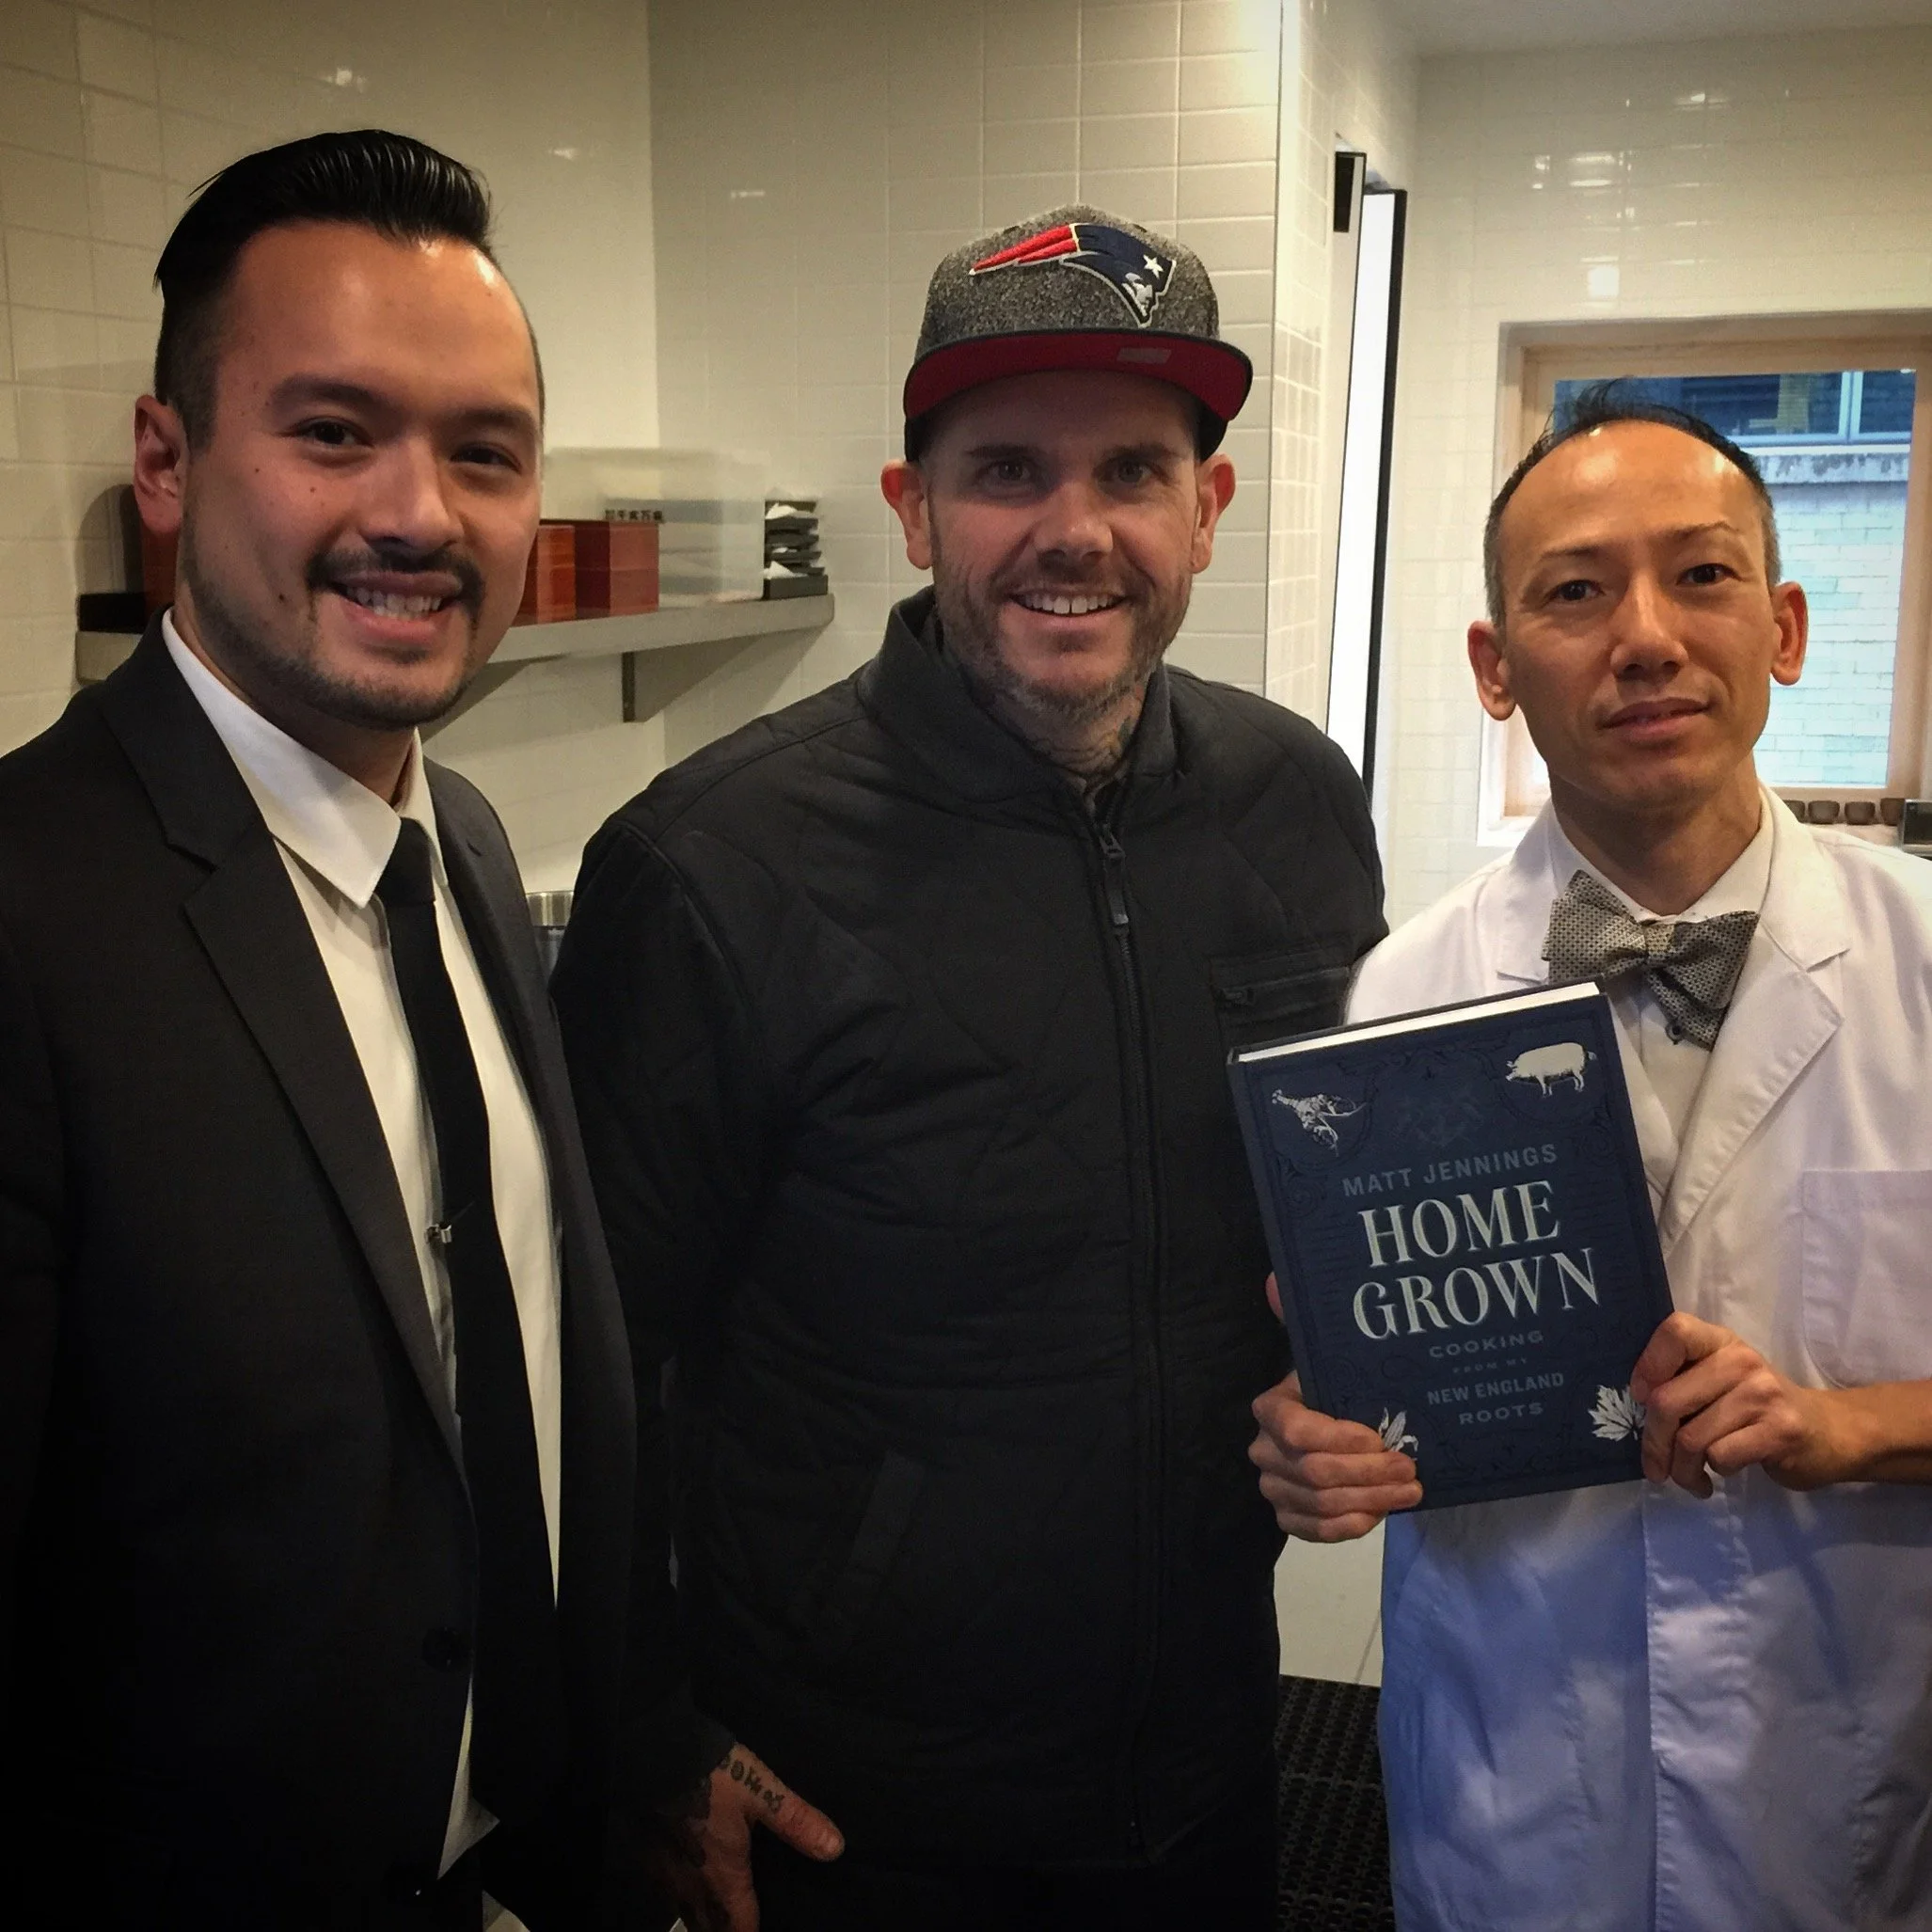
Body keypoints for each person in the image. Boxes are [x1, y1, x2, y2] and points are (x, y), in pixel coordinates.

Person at [551, 205, 1386, 1932]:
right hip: (857, 1800)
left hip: (1210, 1741)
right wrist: (643, 1732)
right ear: (912, 506)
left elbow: (1332, 1190)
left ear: (1205, 513)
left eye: (1134, 472)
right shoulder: (713, 863)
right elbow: (589, 1356)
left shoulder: (1295, 802)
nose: (1071, 532)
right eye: (1006, 469)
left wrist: (1363, 1384)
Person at [0, 130, 715, 1929]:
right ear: (166, 461)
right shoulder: (27, 911)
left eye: (484, 453)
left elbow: (539, 1364)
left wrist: (632, 1756)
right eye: (332, 432)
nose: (418, 513)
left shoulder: (456, 839)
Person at [1250, 382, 1932, 1929]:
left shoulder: (1921, 964)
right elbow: (1368, 1370)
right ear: (1495, 668)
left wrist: (1839, 1424)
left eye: (1700, 573)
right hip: (1518, 1782)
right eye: (1573, 591)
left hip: (1843, 1776)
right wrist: (1322, 1440)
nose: (1643, 634)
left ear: (1786, 624)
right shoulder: (1402, 994)